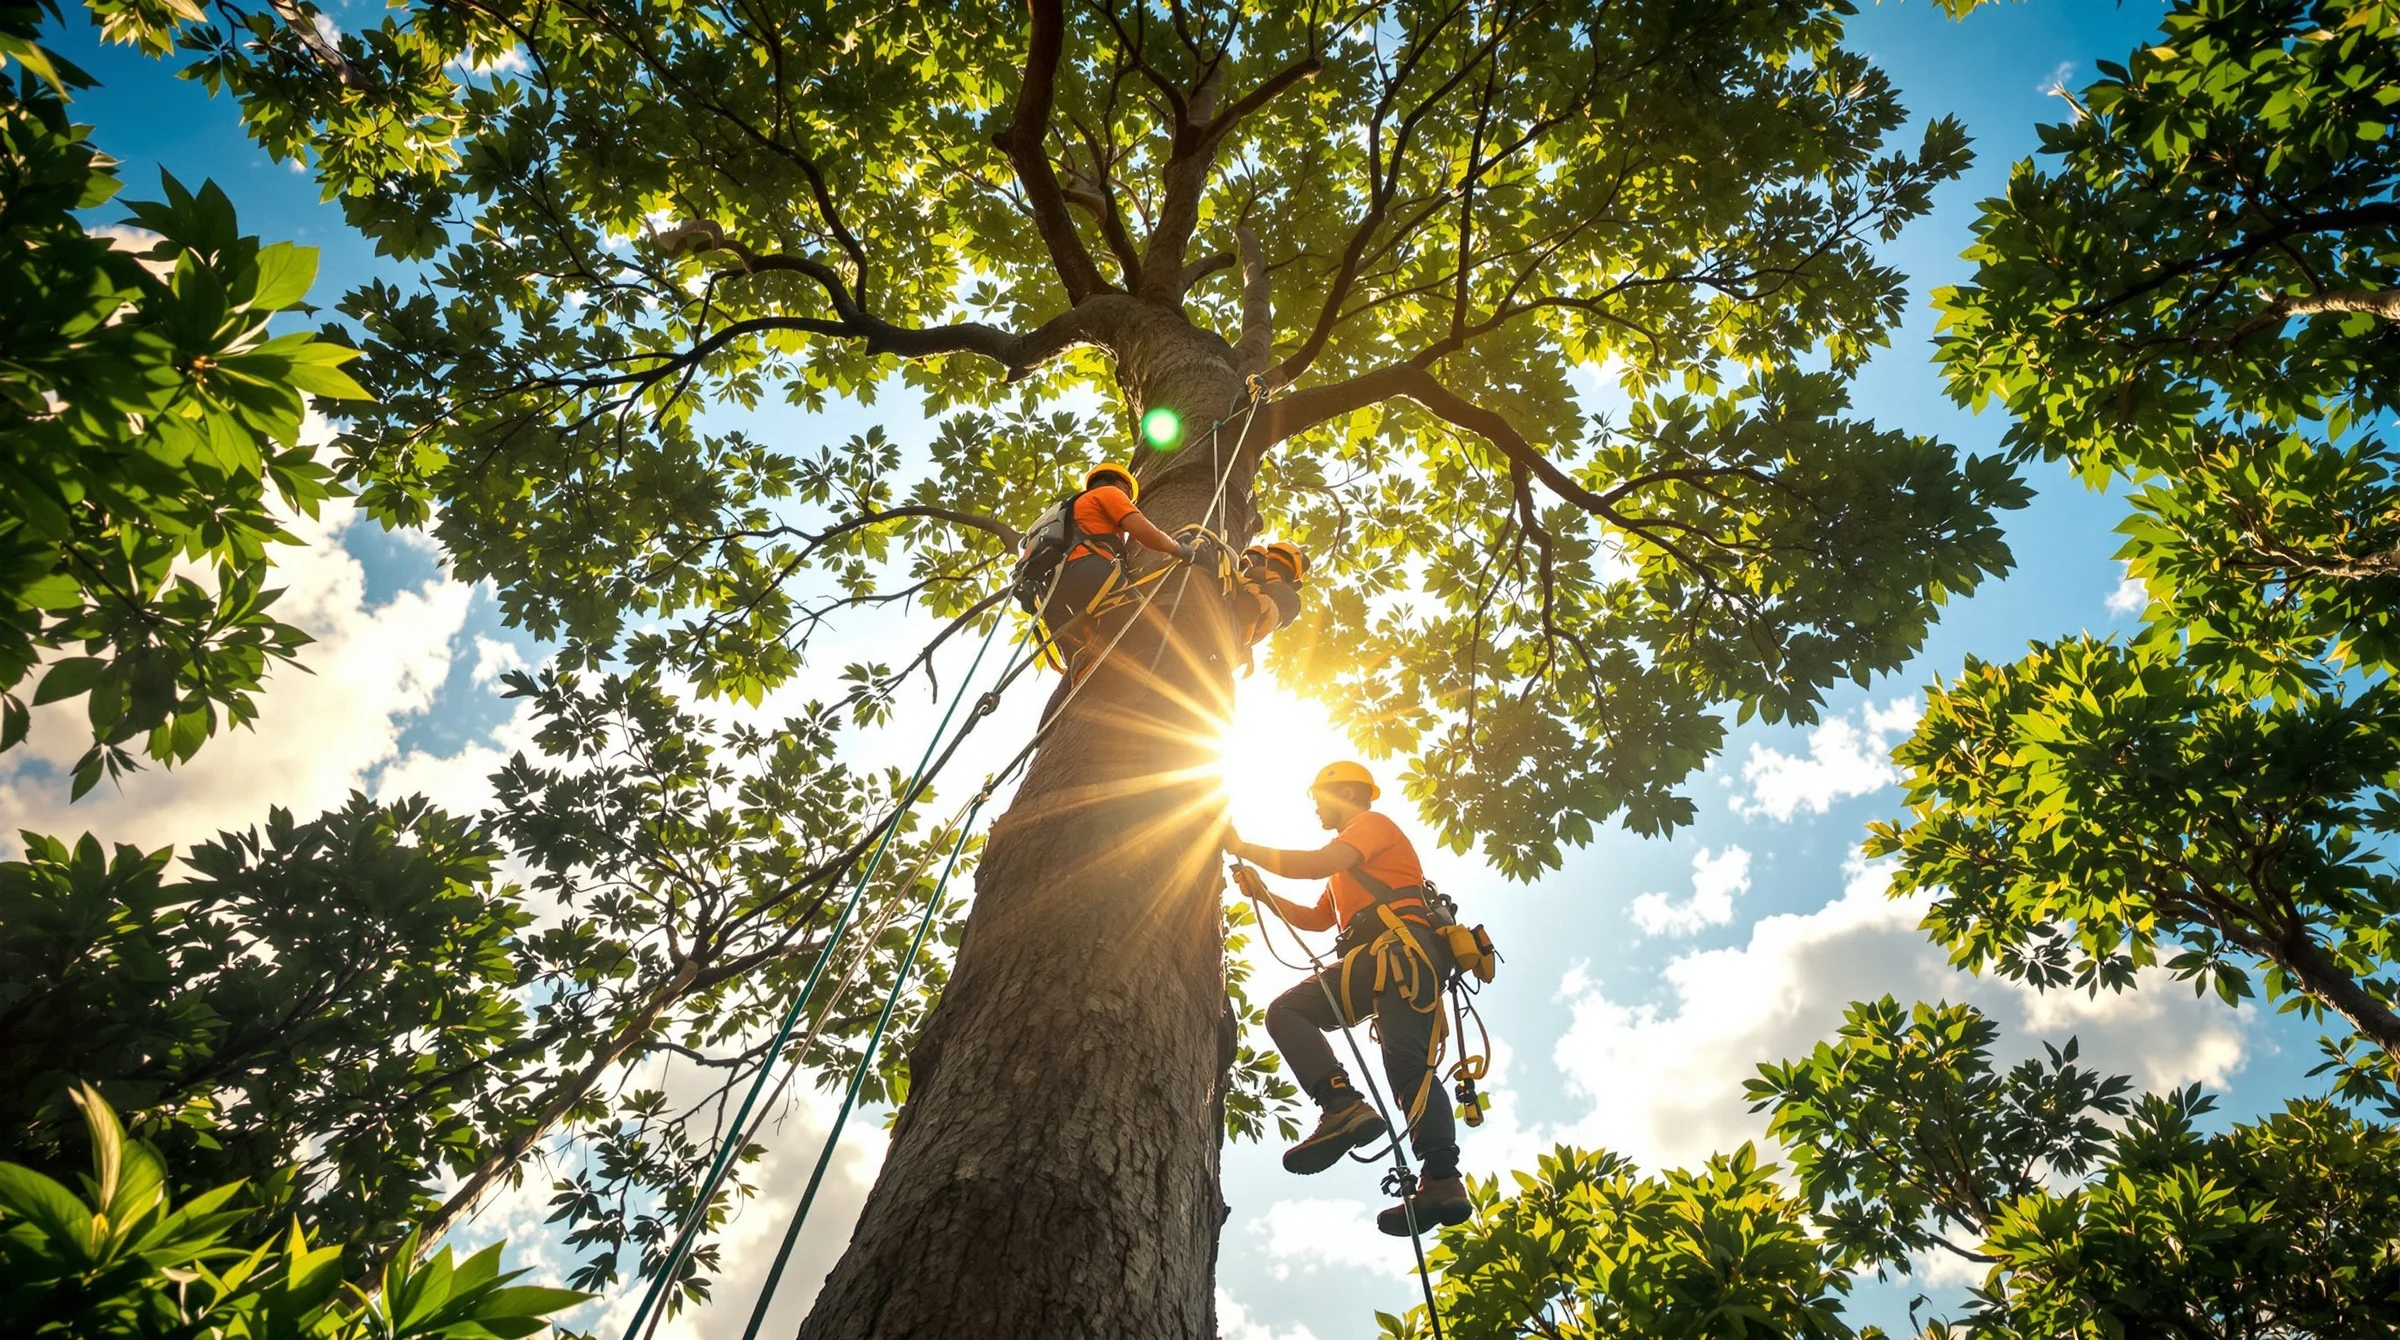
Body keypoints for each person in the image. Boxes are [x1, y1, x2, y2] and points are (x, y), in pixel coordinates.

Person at [1225, 761, 1471, 1235]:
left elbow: (1317, 862)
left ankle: (1348, 1109)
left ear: (1344, 794)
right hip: (1384, 958)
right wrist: (1263, 893)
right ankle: (1438, 1176)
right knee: (1404, 1064)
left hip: (1396, 951)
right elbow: (1320, 919)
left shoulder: (1370, 826)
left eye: (1319, 797)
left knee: (1302, 1017)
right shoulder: (1348, 866)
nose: (1315, 807)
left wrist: (1244, 848)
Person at [1037, 462, 1191, 673]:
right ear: (1122, 485)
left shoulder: (1070, 510)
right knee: (1151, 629)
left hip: (1055, 588)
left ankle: (1085, 674)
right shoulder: (1109, 493)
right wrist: (1177, 549)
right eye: (1128, 494)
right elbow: (1143, 531)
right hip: (1089, 571)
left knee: (1101, 648)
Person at [1235, 542, 1306, 674]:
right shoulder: (1241, 580)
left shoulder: (1286, 596)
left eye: (1257, 561)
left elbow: (1267, 616)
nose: (1250, 565)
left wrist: (1258, 601)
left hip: (1230, 636)